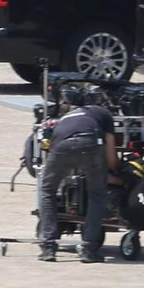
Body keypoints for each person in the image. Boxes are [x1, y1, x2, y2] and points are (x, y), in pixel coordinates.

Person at [36, 84, 118, 262]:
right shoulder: (103, 113)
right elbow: (111, 157)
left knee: (48, 191)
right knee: (97, 194)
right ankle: (89, 249)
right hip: (90, 144)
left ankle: (48, 247)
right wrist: (117, 175)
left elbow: (51, 146)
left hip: (61, 147)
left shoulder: (66, 117)